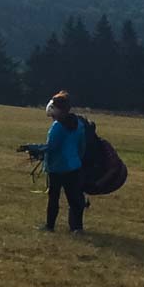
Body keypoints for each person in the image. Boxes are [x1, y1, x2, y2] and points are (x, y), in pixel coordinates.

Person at [39, 90, 88, 234]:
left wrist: (38, 150)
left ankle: (50, 226)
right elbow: (82, 146)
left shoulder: (57, 126)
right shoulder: (79, 124)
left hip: (57, 168)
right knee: (74, 199)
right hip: (74, 166)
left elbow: (52, 147)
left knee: (54, 198)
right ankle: (76, 227)